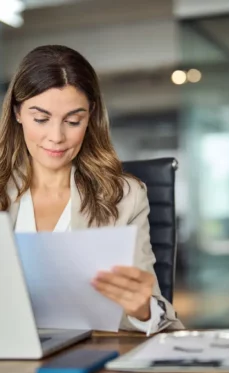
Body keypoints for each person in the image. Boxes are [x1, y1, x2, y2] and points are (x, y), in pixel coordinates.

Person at [0, 45, 184, 334]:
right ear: (17, 112)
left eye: (73, 121)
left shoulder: (125, 197)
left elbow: (159, 316)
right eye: (41, 119)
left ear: (90, 117)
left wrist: (142, 309)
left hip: (88, 358)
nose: (57, 137)